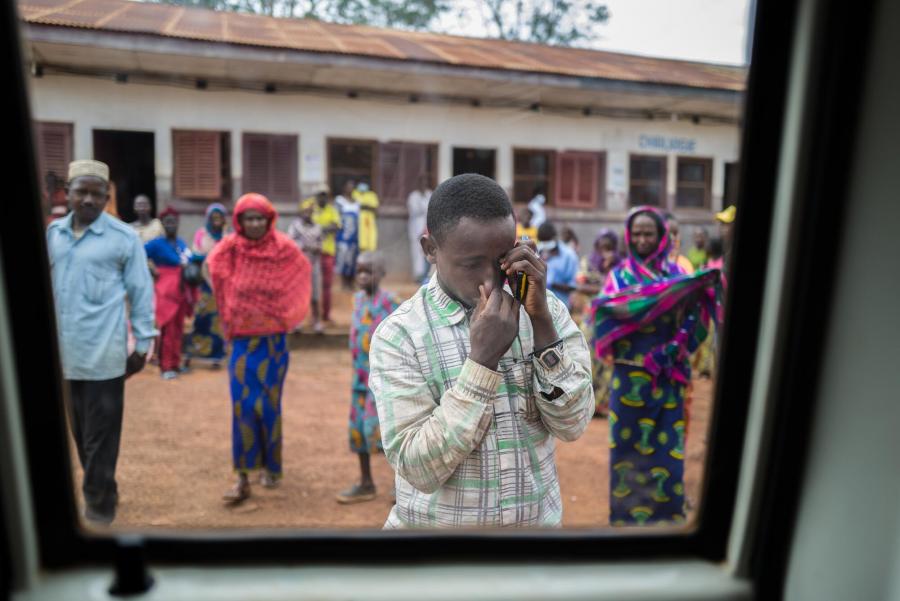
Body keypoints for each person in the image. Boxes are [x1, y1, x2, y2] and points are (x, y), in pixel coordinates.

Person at [369, 173, 594, 528]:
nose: (491, 279)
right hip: (441, 566)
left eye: (502, 259)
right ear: (429, 249)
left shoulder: (542, 309)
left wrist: (542, 325)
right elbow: (418, 469)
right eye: (472, 264)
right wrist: (481, 362)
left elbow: (574, 424)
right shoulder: (400, 335)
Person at [592, 206, 722, 526]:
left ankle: (665, 518)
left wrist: (676, 347)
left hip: (668, 378)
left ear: (662, 235)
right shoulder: (618, 277)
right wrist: (643, 307)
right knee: (627, 451)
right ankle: (625, 518)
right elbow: (606, 314)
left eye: (649, 233)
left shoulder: (678, 278)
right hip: (628, 379)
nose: (642, 239)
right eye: (636, 234)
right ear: (628, 237)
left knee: (668, 452)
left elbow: (696, 318)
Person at [46, 159, 156, 525]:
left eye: (97, 193)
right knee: (81, 434)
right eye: (82, 192)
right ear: (69, 193)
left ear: (107, 197)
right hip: (66, 355)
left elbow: (142, 293)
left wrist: (142, 345)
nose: (89, 200)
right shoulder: (54, 236)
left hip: (105, 356)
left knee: (100, 439)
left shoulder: (123, 238)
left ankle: (98, 506)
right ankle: (105, 487)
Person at [207, 193, 311, 504]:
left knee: (269, 406)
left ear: (269, 220)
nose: (254, 224)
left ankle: (272, 467)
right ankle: (242, 476)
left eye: (259, 218)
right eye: (248, 218)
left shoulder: (283, 249)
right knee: (242, 407)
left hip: (273, 344)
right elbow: (213, 271)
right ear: (238, 221)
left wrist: (286, 313)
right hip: (241, 342)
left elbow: (301, 275)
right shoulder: (230, 249)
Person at [336, 251, 399, 504]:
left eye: (368, 271)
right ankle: (366, 482)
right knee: (359, 431)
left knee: (384, 432)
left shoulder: (391, 304)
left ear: (381, 274)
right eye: (359, 270)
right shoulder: (357, 300)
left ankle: (402, 485)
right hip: (360, 379)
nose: (362, 276)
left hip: (383, 382)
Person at [144, 207, 198, 380]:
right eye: (167, 222)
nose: (170, 225)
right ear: (162, 224)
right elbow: (137, 253)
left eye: (173, 222)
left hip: (181, 290)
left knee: (179, 329)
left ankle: (176, 363)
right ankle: (166, 366)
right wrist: (151, 268)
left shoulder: (181, 243)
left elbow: (190, 259)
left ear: (178, 223)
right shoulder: (156, 243)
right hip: (165, 290)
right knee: (167, 329)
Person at [184, 203, 228, 367]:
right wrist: (204, 257)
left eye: (219, 218)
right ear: (209, 219)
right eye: (213, 217)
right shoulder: (201, 234)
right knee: (201, 318)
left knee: (218, 322)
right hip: (203, 283)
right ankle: (192, 354)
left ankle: (216, 356)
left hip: (221, 285)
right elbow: (195, 254)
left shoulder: (226, 237)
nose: (216, 221)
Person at [307, 184, 341, 325]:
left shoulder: (332, 210)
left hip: (327, 252)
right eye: (320, 195)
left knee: (327, 285)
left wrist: (317, 229)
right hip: (312, 253)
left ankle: (326, 315)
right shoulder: (310, 208)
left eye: (324, 195)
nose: (322, 198)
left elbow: (336, 226)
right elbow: (304, 223)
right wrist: (324, 228)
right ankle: (313, 316)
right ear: (315, 196)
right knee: (310, 285)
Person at [288, 201, 324, 333]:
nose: (308, 214)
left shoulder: (317, 228)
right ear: (301, 212)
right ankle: (297, 322)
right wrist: (305, 246)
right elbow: (291, 244)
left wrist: (316, 248)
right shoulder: (295, 226)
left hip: (314, 265)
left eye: (310, 211)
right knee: (299, 294)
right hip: (298, 267)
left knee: (314, 294)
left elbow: (321, 245)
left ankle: (316, 321)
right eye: (305, 211)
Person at [537, 222, 579, 311]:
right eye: (542, 241)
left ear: (555, 238)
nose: (544, 244)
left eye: (547, 241)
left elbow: (573, 286)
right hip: (539, 307)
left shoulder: (569, 256)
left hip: (561, 307)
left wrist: (550, 283)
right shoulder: (538, 252)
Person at [334, 180, 360, 291]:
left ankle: (351, 283)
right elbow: (336, 217)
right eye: (348, 187)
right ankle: (344, 283)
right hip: (343, 236)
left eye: (352, 187)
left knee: (353, 260)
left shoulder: (357, 202)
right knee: (343, 259)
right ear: (344, 188)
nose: (350, 189)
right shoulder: (339, 201)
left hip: (354, 236)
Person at [407, 175, 432, 282]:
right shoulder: (413, 196)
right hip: (416, 227)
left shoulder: (429, 194)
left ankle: (426, 274)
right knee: (417, 251)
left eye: (425, 183)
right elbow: (415, 210)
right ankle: (418, 275)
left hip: (428, 226)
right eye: (421, 182)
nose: (423, 185)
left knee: (427, 250)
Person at [354, 181, 380, 252]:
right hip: (358, 221)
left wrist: (364, 206)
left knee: (371, 238)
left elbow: (374, 208)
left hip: (369, 221)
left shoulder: (372, 195)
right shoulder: (355, 193)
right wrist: (367, 206)